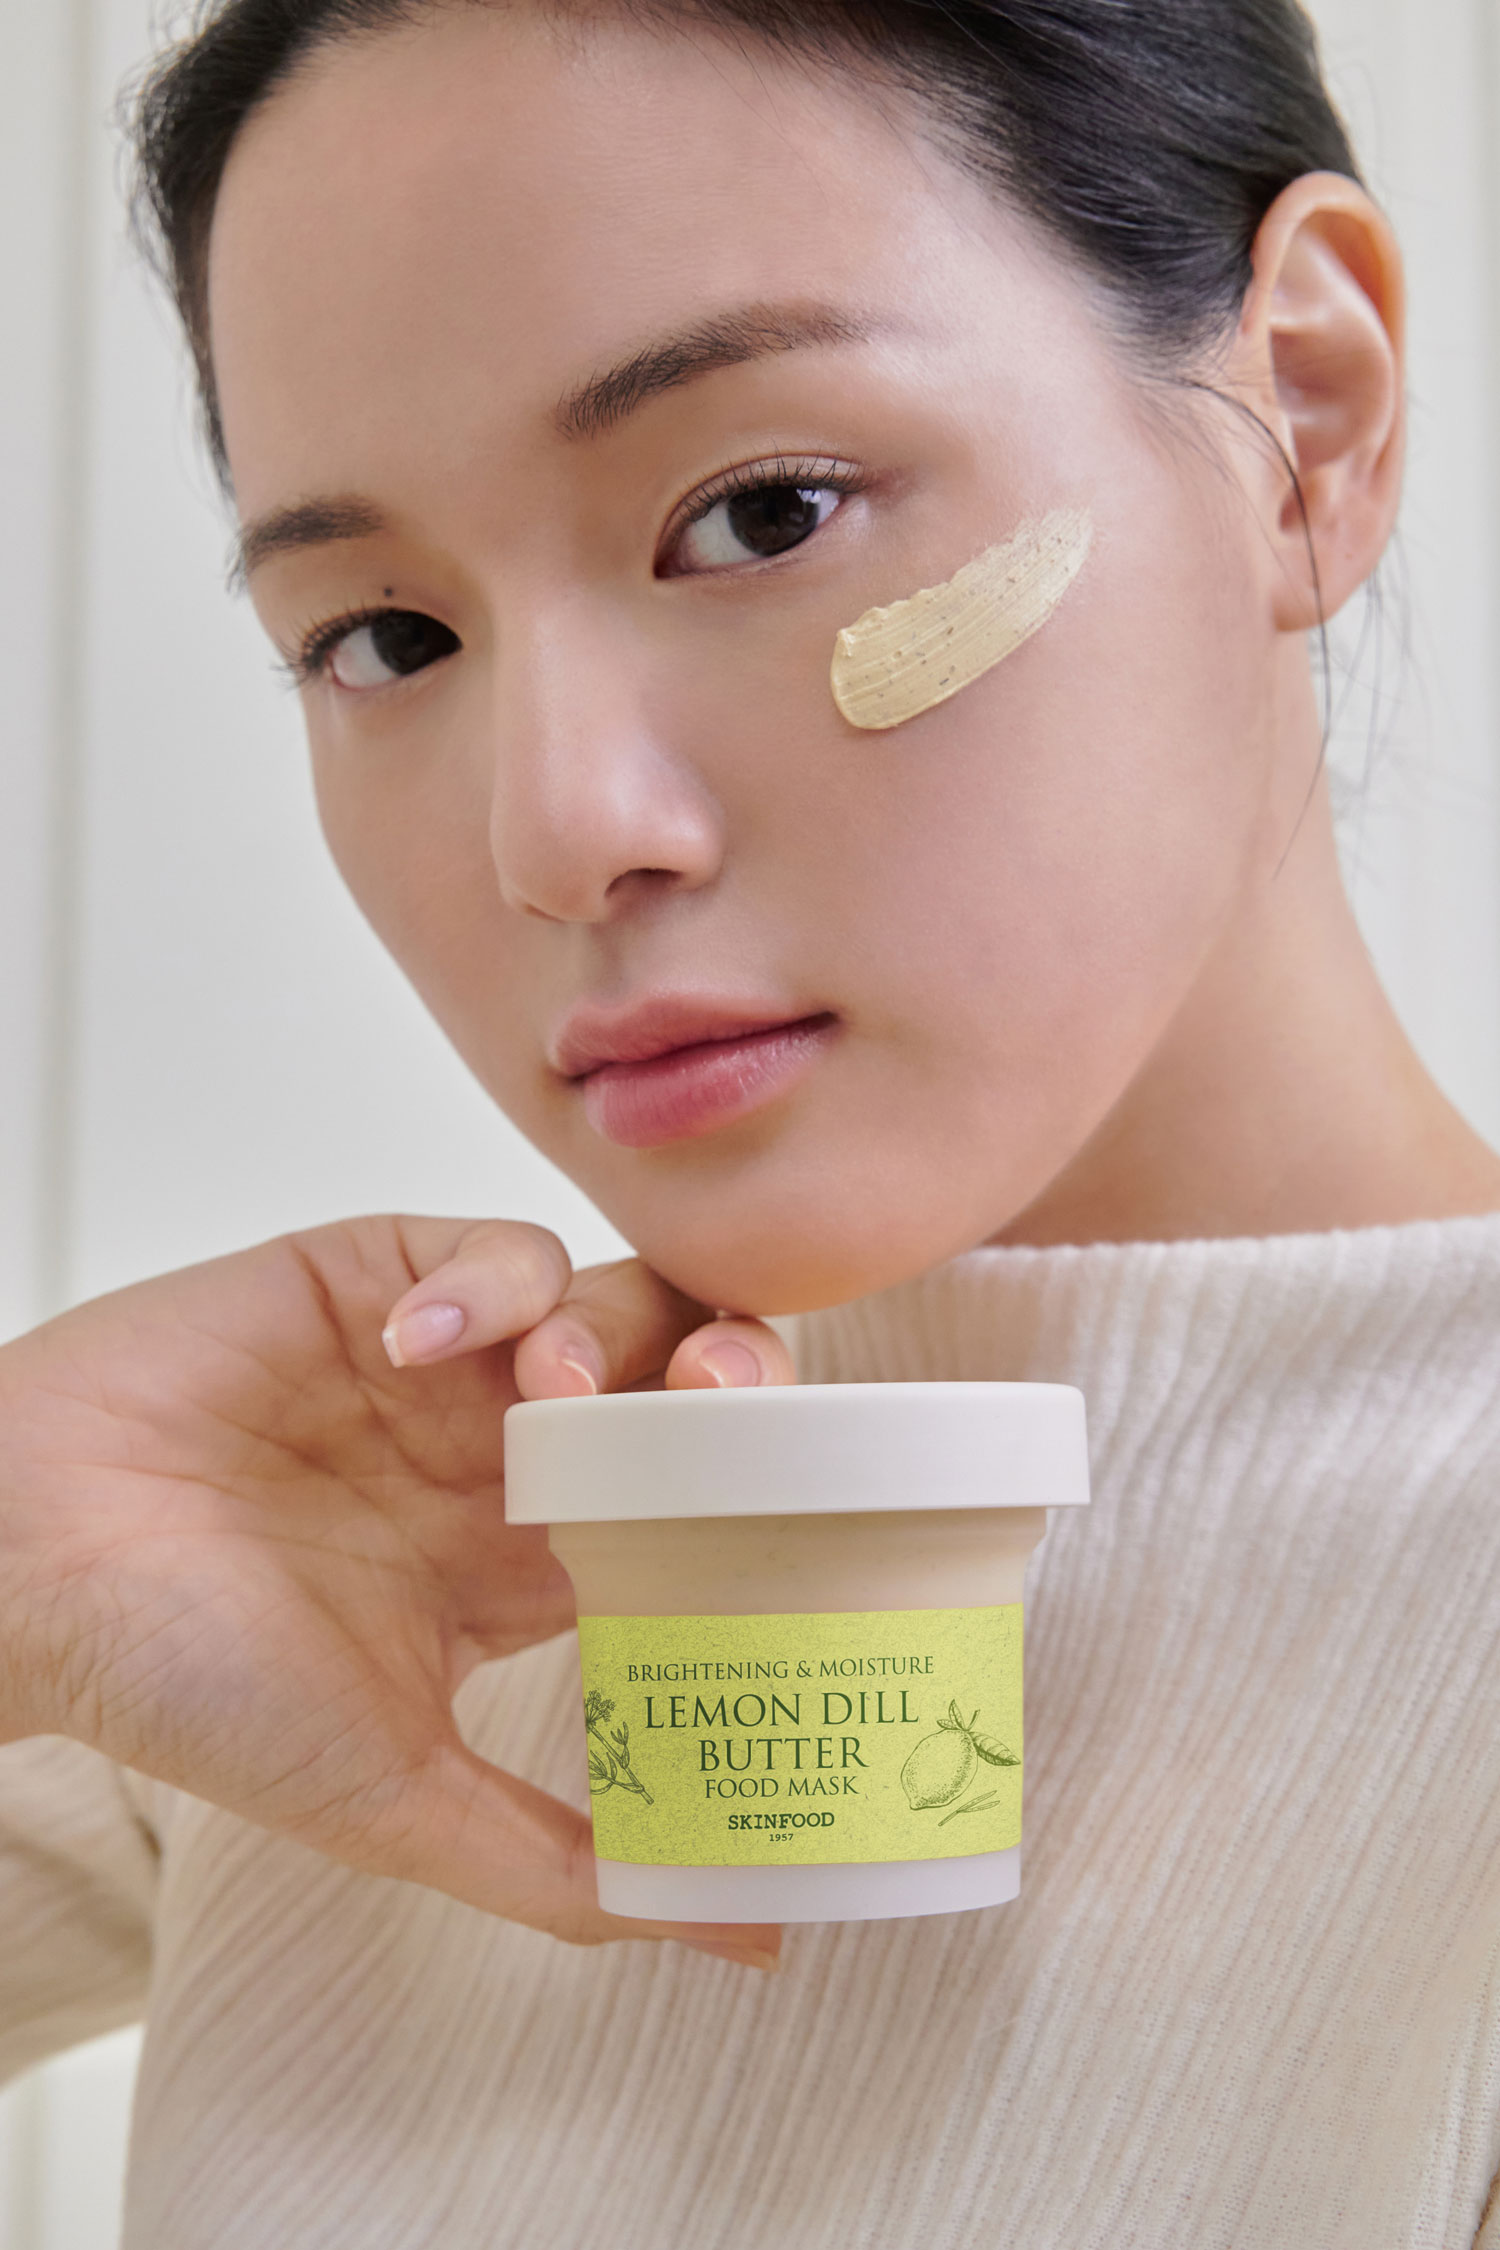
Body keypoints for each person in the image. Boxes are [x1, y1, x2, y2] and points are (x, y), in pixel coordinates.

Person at [4, 0, 1500, 2241]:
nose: (556, 832)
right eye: (385, 638)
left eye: (763, 511)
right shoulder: (388, 1570)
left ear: (1307, 414)